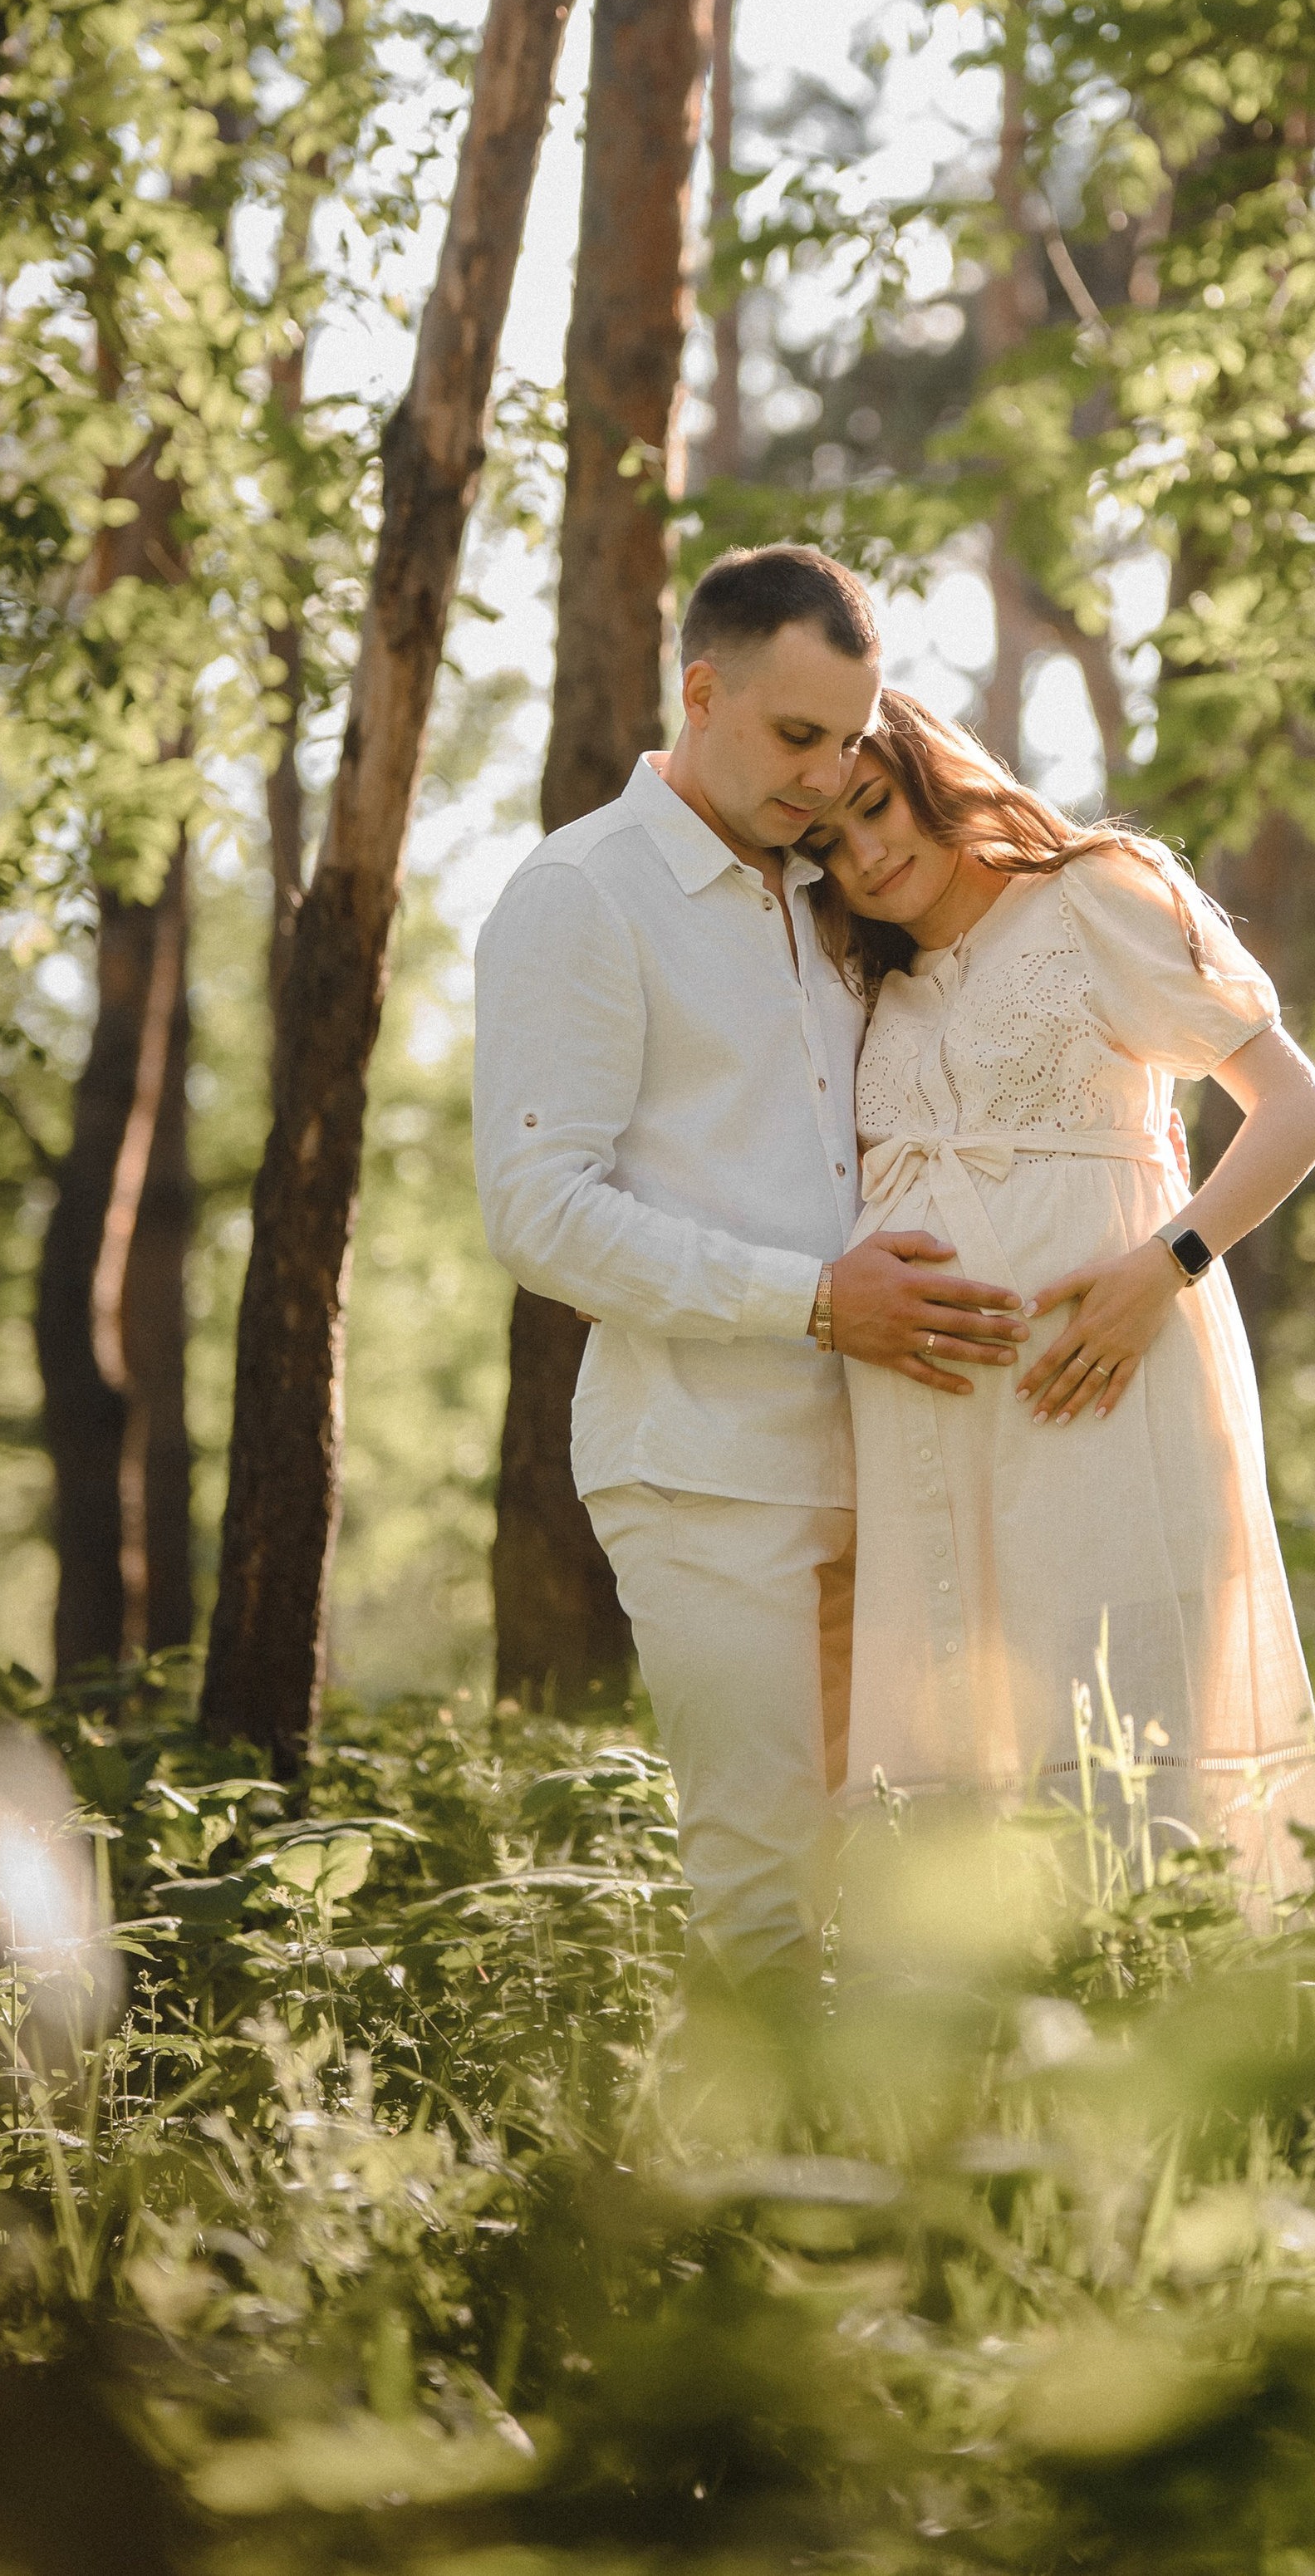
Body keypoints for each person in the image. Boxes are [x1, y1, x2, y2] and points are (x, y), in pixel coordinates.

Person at [473, 550, 1028, 2000]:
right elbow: (538, 1212)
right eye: (800, 736)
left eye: (851, 738)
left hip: (883, 1457)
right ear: (700, 691)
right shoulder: (583, 893)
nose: (832, 774)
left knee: (912, 1886)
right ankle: (740, 2225)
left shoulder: (824, 898)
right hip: (707, 1467)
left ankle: (899, 2204)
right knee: (766, 1896)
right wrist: (814, 1299)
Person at [802, 691, 1315, 1900]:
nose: (868, 857)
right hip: (932, 1448)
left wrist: (1169, 1263)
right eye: (830, 846)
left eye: (875, 807)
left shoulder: (1097, 893)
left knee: (1126, 1752)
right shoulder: (874, 984)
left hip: (1103, 1390)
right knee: (964, 1778)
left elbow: (1300, 1110)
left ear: (931, 770)